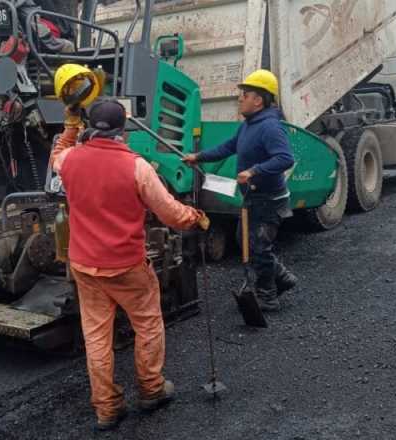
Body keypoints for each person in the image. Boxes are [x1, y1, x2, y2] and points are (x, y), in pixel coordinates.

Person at [51, 98, 209, 431]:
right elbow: (170, 213)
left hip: (85, 265)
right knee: (148, 325)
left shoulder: (69, 160)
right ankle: (151, 390)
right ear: (123, 130)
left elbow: (57, 154)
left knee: (97, 337)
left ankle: (107, 409)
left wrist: (69, 127)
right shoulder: (137, 167)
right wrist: (195, 217)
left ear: (90, 127)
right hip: (126, 266)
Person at [182, 69, 297, 312]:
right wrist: (199, 157)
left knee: (257, 247)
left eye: (244, 95)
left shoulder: (270, 127)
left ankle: (268, 297)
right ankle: (282, 277)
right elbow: (228, 147)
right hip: (253, 197)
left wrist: (254, 171)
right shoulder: (249, 125)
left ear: (258, 100)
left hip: (269, 200)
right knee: (243, 240)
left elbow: (285, 158)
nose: (240, 99)